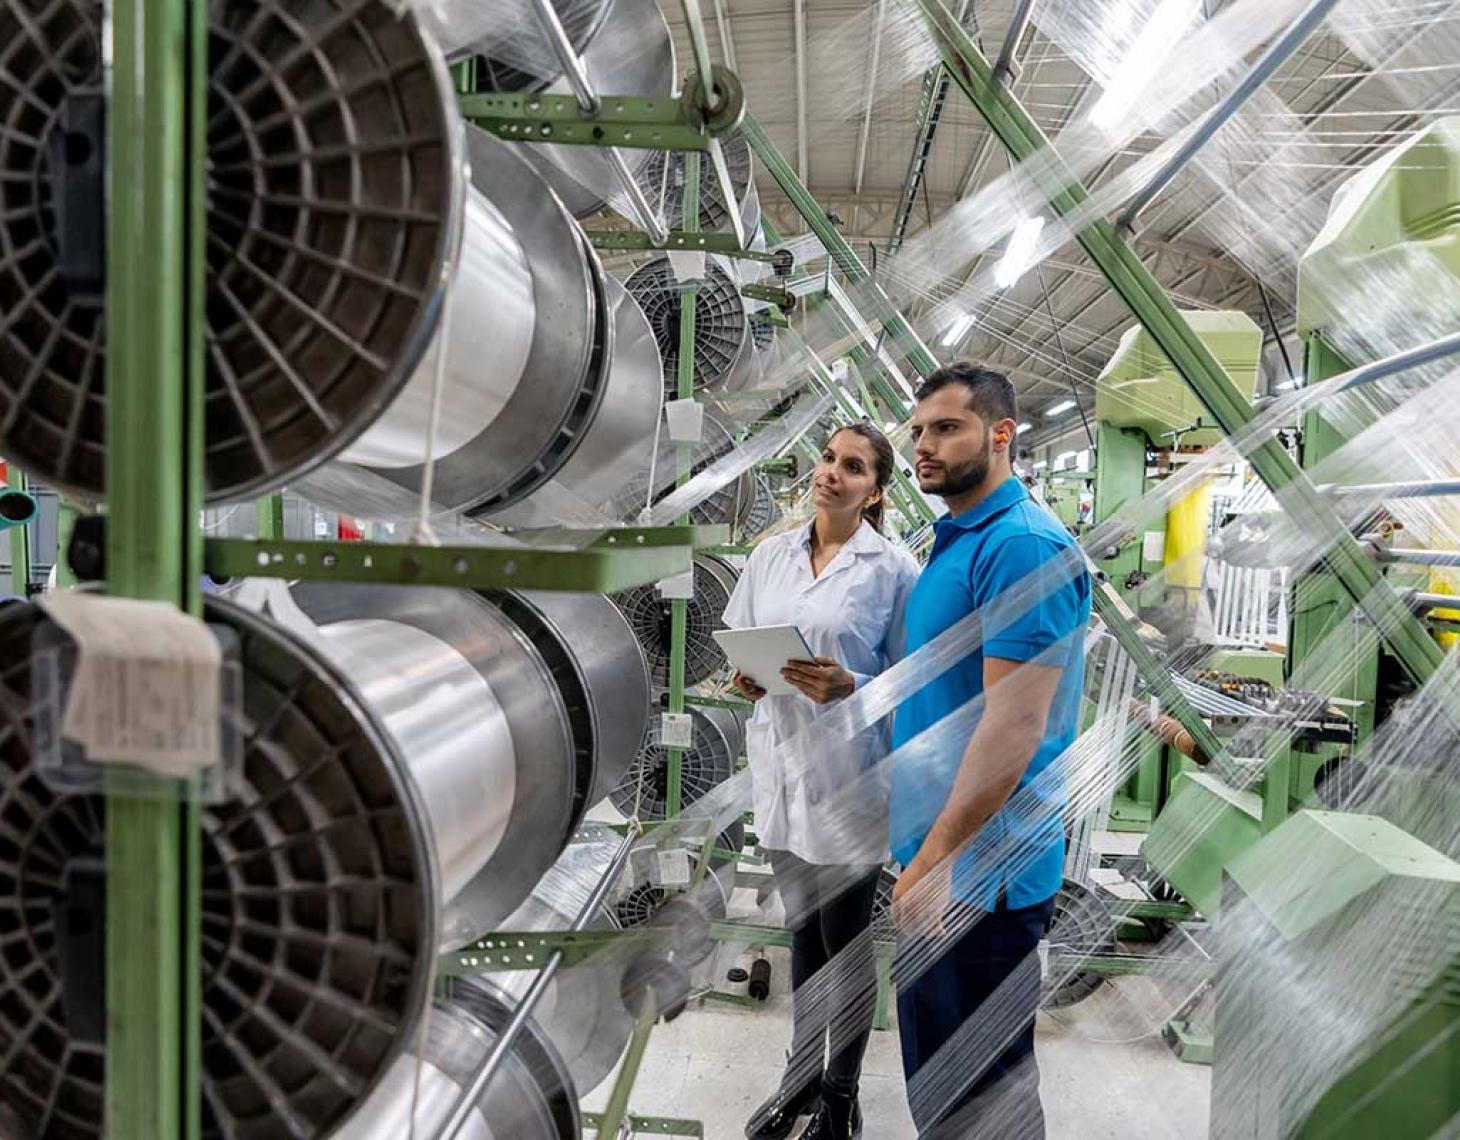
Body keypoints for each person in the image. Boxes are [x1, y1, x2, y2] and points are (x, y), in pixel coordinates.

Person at [889, 363, 1091, 1138]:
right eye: (918, 432)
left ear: (1001, 435)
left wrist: (936, 860)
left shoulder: (1022, 547)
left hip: (980, 878)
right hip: (945, 862)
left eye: (946, 428)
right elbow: (951, 686)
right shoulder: (960, 538)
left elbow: (1015, 728)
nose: (924, 447)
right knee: (948, 1094)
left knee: (982, 1101)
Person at [724, 422, 919, 1140]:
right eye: (830, 459)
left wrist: (852, 685)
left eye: (854, 467)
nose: (832, 473)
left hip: (851, 776)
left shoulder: (894, 571)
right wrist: (748, 678)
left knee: (847, 938)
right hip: (780, 766)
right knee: (801, 931)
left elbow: (916, 681)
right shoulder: (770, 555)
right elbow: (745, 645)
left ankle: (842, 1095)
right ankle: (799, 1078)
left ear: (874, 492)